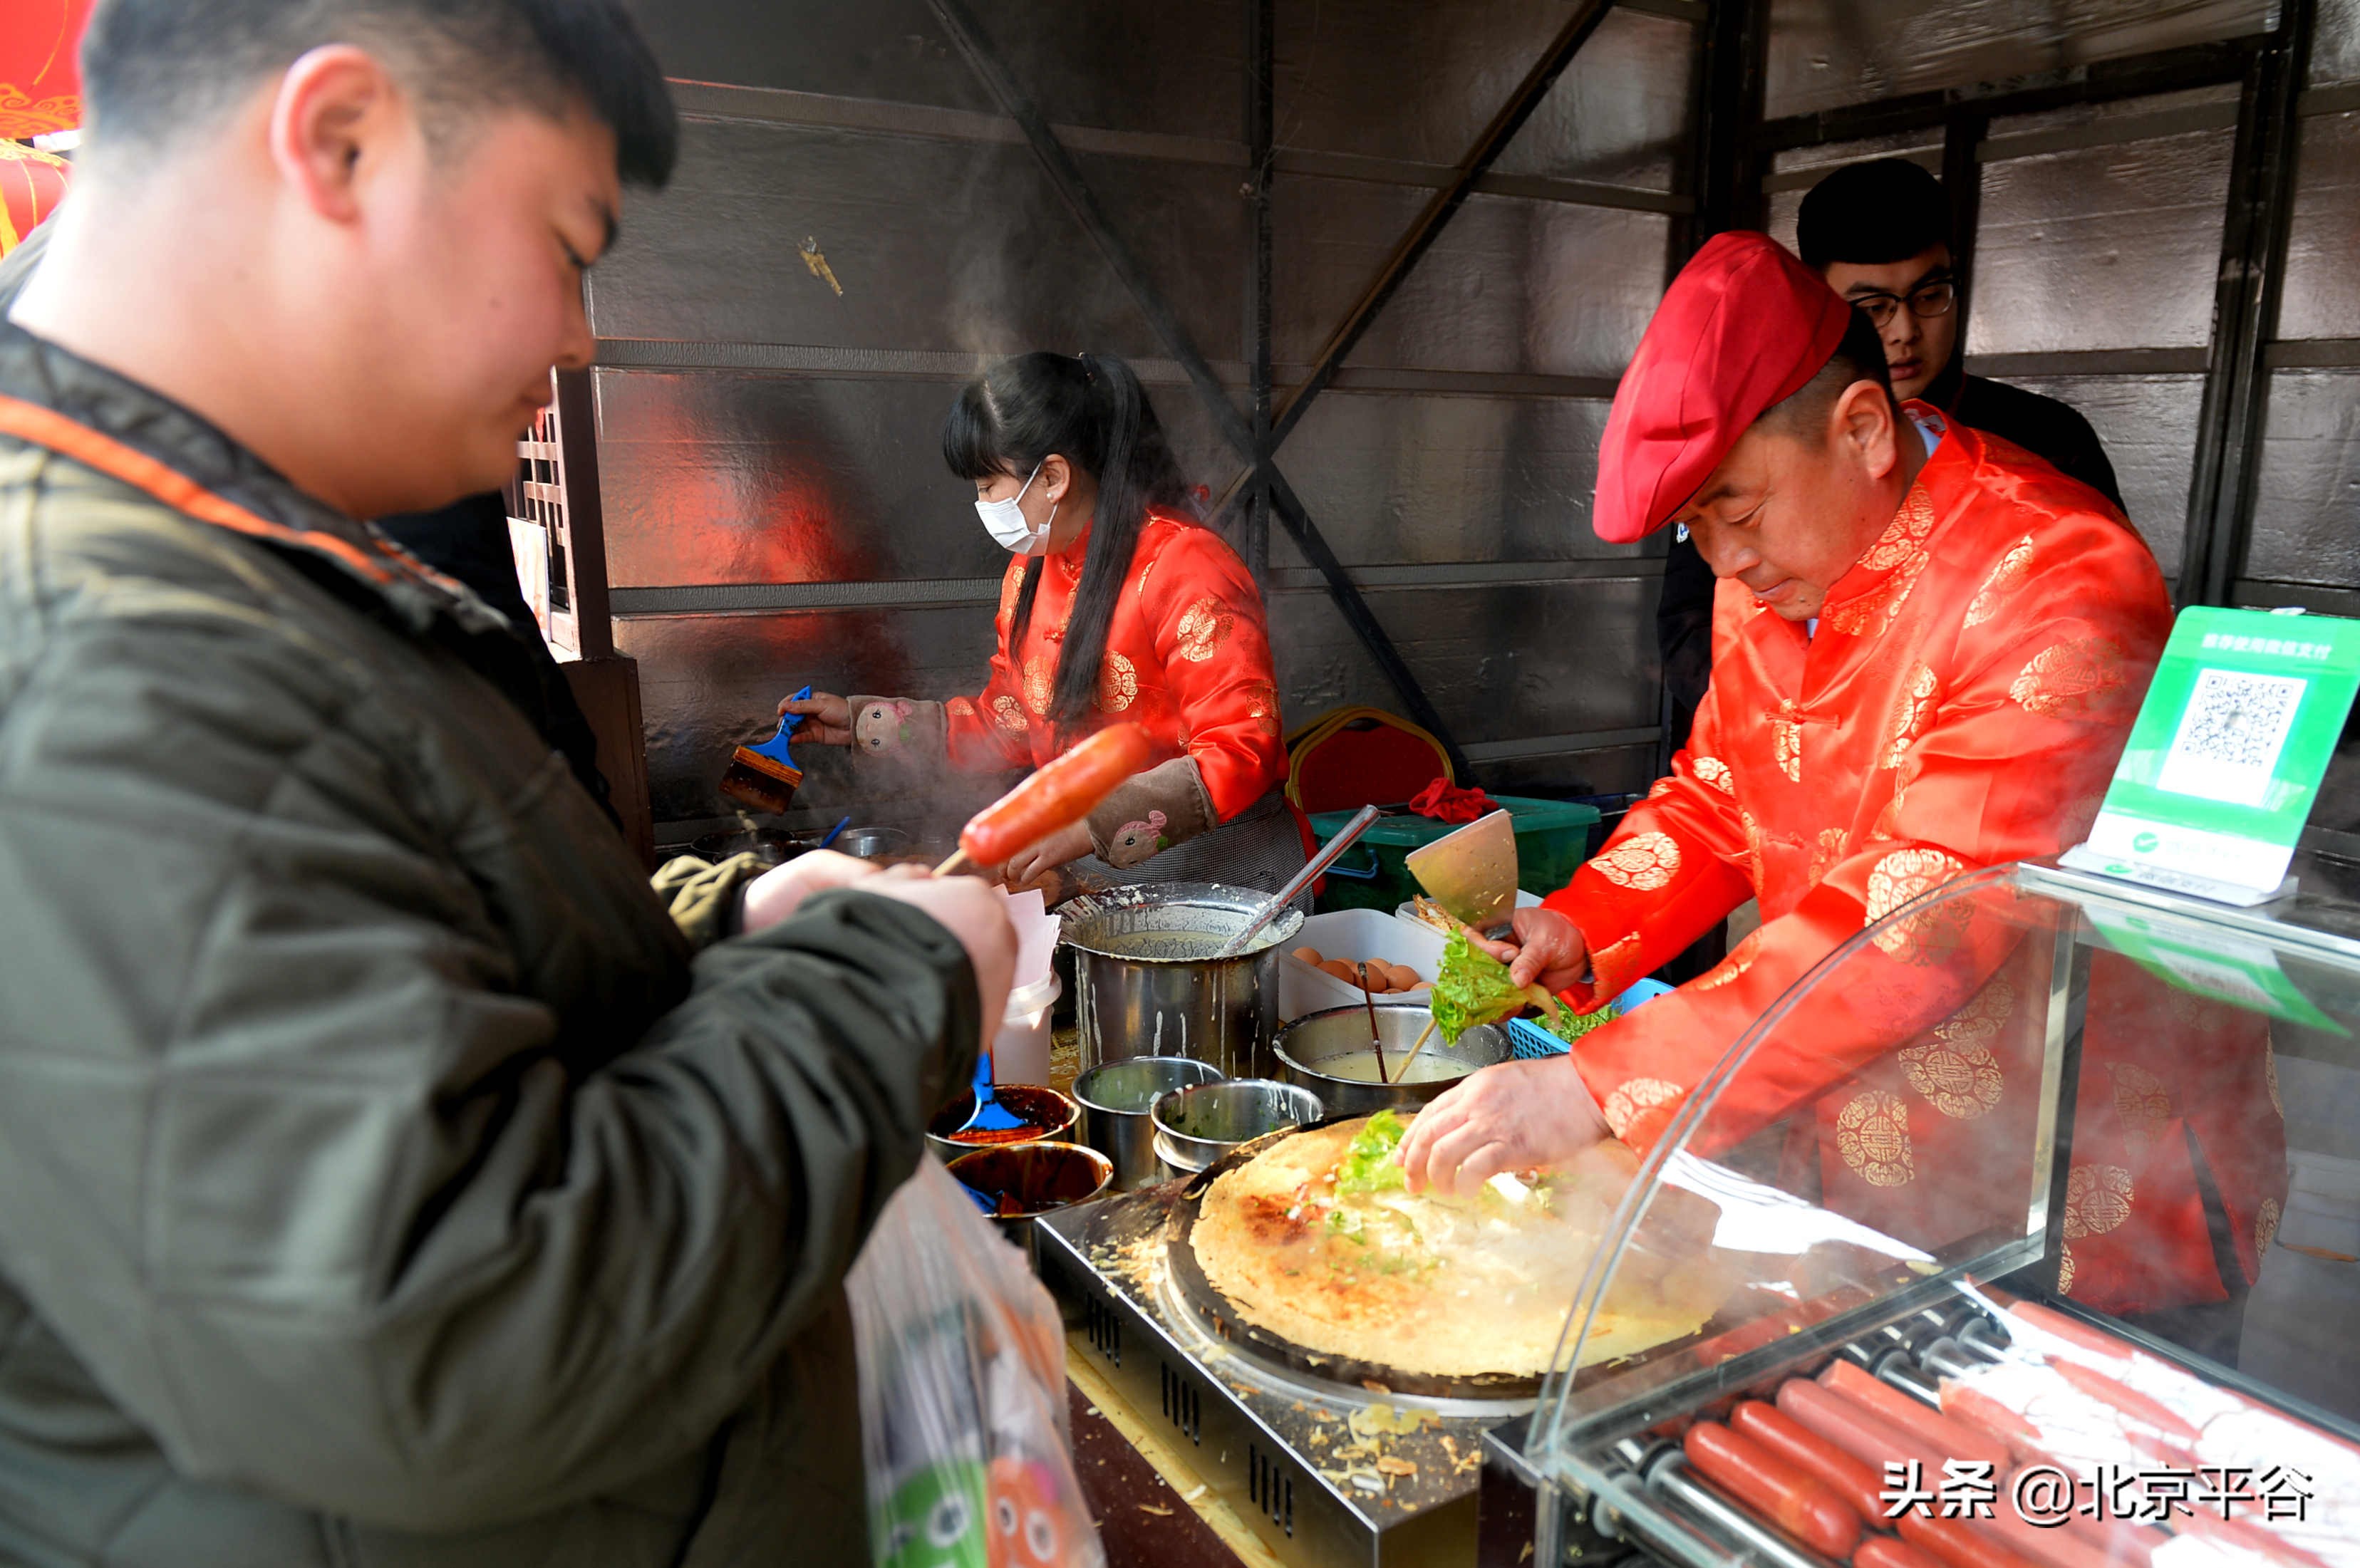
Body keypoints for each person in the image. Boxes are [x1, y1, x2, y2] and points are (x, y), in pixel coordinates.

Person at [0, 4, 1016, 1565]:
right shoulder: (89, 654)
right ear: (339, 143)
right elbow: (450, 1331)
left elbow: (411, 936)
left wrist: (722, 916)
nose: (581, 337)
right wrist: (893, 975)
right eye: (565, 241)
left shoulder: (238, 556)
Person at [1399, 233, 2283, 1357]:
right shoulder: (1776, 569)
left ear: (1862, 428)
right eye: (1695, 525)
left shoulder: (2055, 582)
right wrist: (1588, 923)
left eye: (1739, 508)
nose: (1723, 560)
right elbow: (1719, 792)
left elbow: (1924, 916)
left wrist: (1601, 1079)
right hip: (1869, 1172)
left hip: (2085, 1199)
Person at [787, 351, 1303, 899]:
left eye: (988, 485)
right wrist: (865, 722)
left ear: (1053, 476)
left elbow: (1241, 747)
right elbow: (1004, 724)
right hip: (1106, 878)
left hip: (1225, 877)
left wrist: (1087, 826)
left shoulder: (1186, 566)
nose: (981, 503)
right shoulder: (1028, 573)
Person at [1658, 157, 2124, 756]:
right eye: (1872, 307)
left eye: (1930, 294)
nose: (1905, 330)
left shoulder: (2047, 441)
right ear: (1818, 307)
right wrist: (1781, 738)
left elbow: (2090, 639)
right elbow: (1690, 625)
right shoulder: (1758, 440)